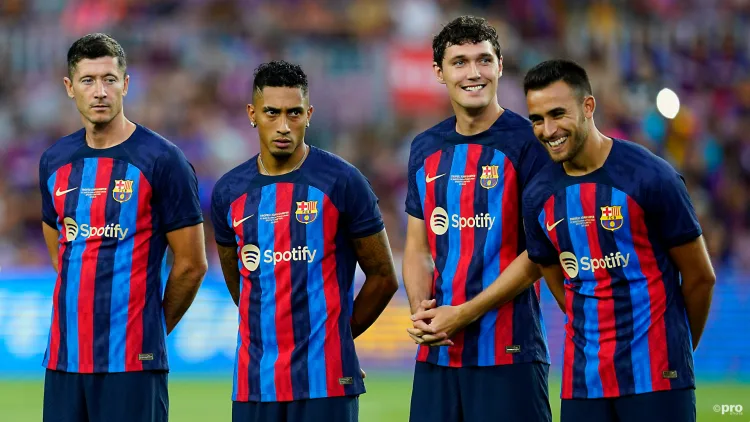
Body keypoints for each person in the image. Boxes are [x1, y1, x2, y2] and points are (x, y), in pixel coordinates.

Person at [521, 59, 716, 422]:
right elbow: (557, 279)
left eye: (557, 114)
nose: (548, 130)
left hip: (658, 378)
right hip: (584, 383)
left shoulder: (652, 177)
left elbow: (701, 277)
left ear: (588, 107)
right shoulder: (537, 197)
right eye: (537, 119)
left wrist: (678, 349)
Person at [210, 60, 399, 422]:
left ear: (309, 114)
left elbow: (383, 276)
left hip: (325, 382)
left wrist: (339, 342)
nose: (283, 126)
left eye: (294, 113)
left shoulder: (343, 181)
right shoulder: (228, 192)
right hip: (255, 383)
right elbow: (241, 285)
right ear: (252, 114)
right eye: (272, 113)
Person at [39, 33, 208, 422]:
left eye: (109, 79)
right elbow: (60, 252)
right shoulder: (54, 160)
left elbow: (192, 263)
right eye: (88, 80)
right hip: (65, 360)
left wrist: (150, 329)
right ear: (69, 88)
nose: (100, 91)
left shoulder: (164, 160)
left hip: (133, 361)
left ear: (126, 84)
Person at [403, 16, 554, 422]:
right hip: (438, 355)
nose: (474, 73)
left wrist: (464, 313)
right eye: (460, 62)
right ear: (439, 72)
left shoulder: (531, 144)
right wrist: (424, 312)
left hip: (510, 352)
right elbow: (418, 247)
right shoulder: (425, 147)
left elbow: (540, 254)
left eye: (484, 60)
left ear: (500, 65)